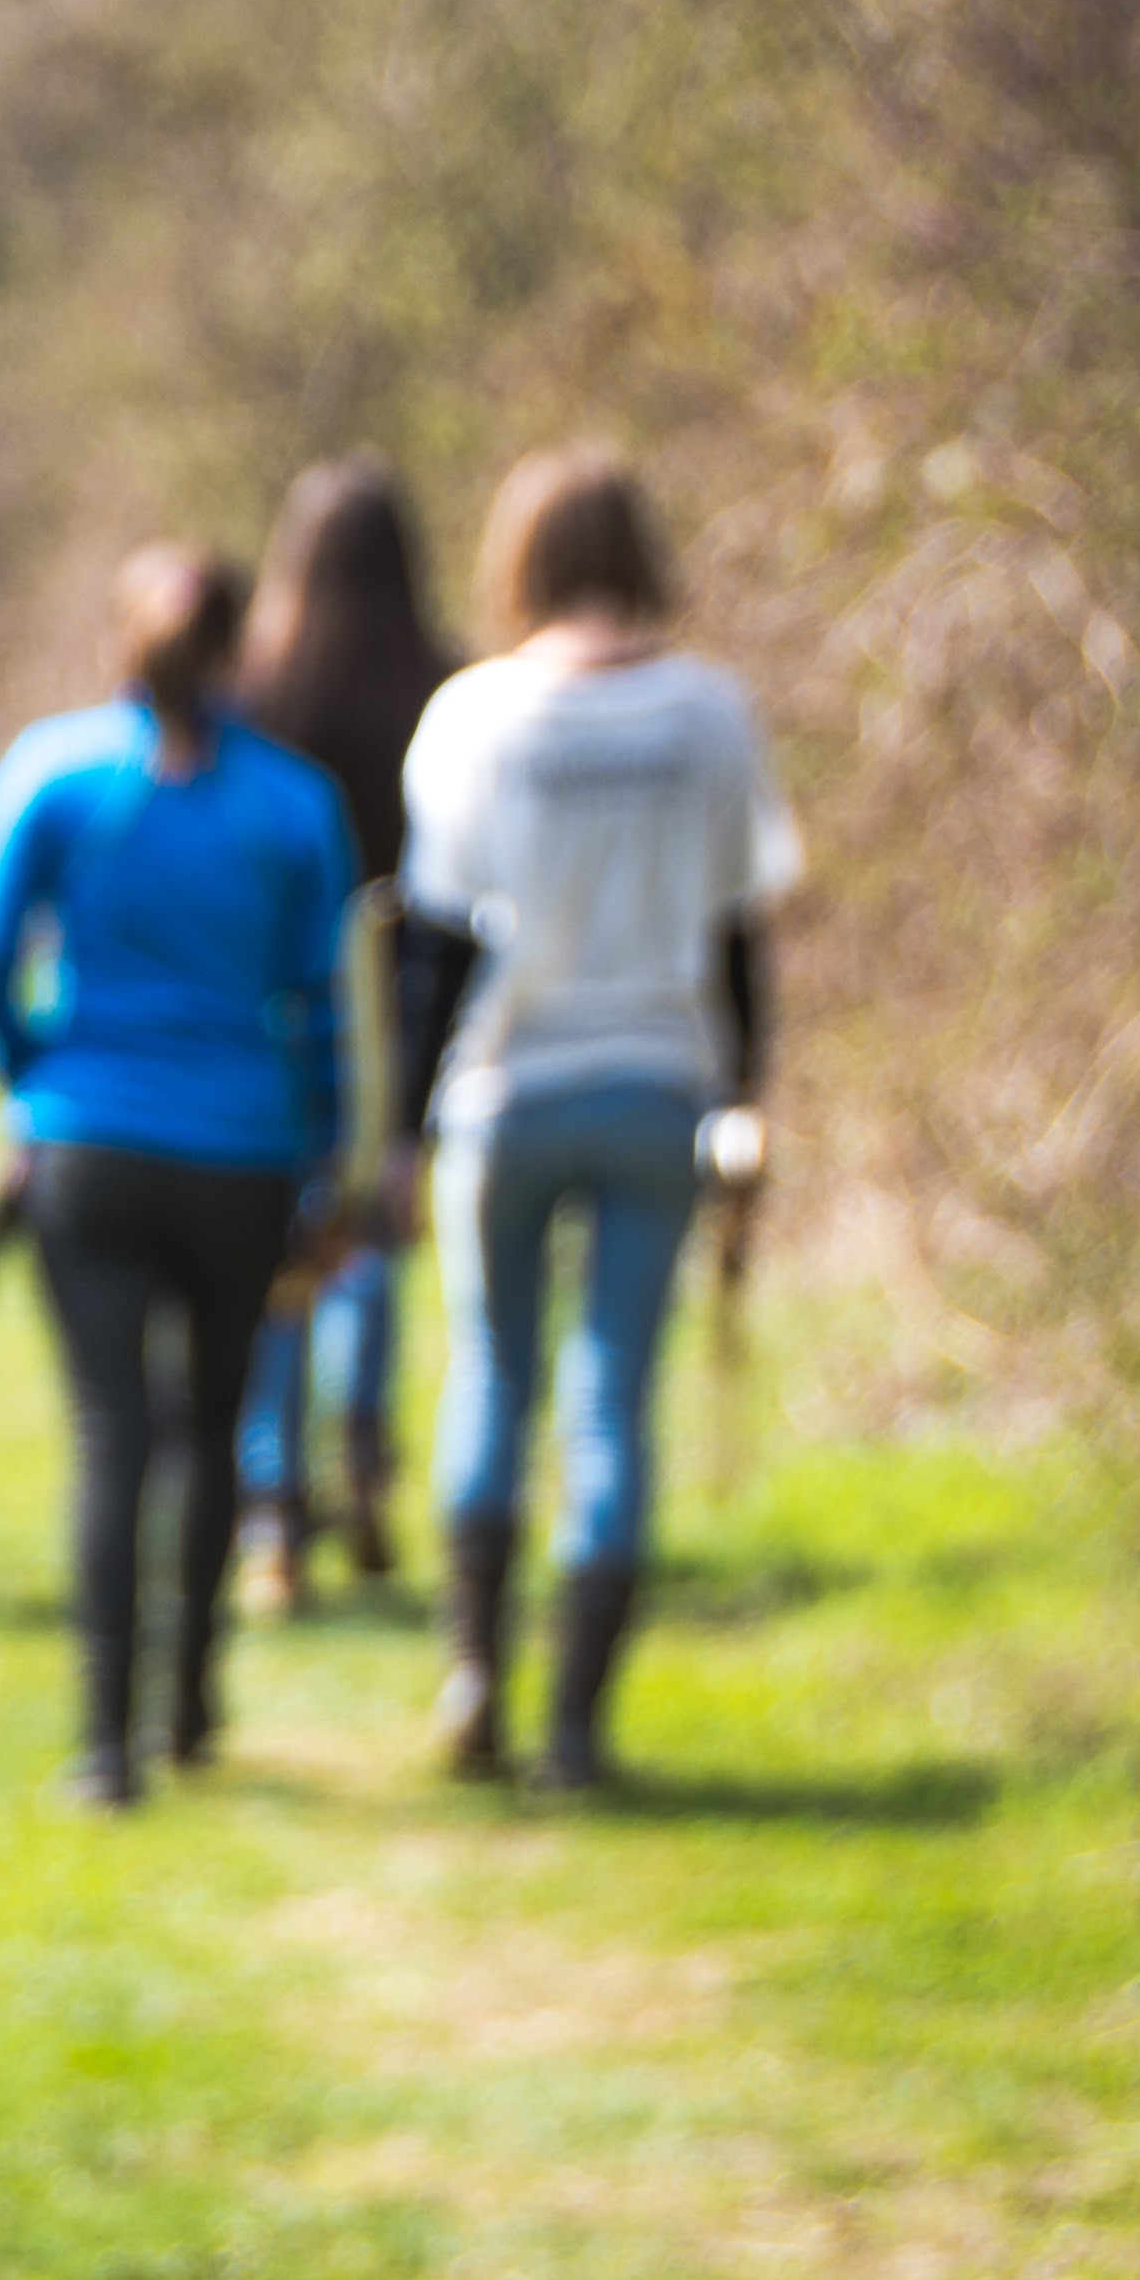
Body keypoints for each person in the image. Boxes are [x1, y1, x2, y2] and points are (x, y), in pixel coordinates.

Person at [393, 445, 799, 1791]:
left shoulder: (473, 715)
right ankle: (573, 1728)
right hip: (657, 1083)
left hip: (504, 1085)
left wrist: (397, 1129)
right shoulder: (707, 715)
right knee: (611, 1391)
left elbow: (436, 941)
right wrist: (746, 1092)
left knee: (491, 1371)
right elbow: (738, 928)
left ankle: (472, 1674)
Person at [0, 547, 356, 1808]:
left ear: (114, 640)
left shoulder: (53, 772)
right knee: (212, 1425)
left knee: (108, 1431)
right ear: (240, 649)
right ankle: (188, 1703)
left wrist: (28, 1067)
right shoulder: (292, 804)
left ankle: (103, 1743)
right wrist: (323, 1147)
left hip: (87, 1145)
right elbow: (320, 1003)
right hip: (241, 1151)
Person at [225, 458, 457, 1611]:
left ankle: (270, 1509)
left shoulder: (254, 688)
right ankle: (362, 1462)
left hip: (283, 999)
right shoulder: (446, 685)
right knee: (370, 1239)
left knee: (277, 1257)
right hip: (404, 994)